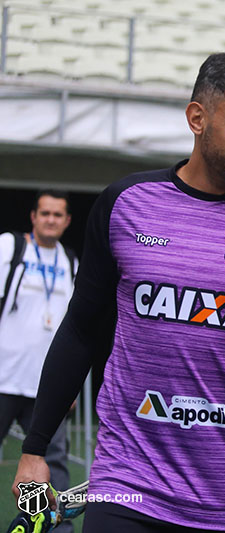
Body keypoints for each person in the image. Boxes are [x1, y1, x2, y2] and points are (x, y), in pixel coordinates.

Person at [11, 52, 225, 533]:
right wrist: (35, 449)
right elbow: (82, 329)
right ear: (197, 118)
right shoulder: (125, 203)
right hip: (125, 480)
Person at [1, 190, 77, 533]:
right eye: (45, 213)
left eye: (57, 215)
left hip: (47, 387)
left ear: (67, 221)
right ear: (33, 216)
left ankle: (53, 528)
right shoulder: (9, 247)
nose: (50, 219)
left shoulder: (71, 262)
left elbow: (76, 330)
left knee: (53, 465)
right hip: (2, 377)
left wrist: (71, 384)